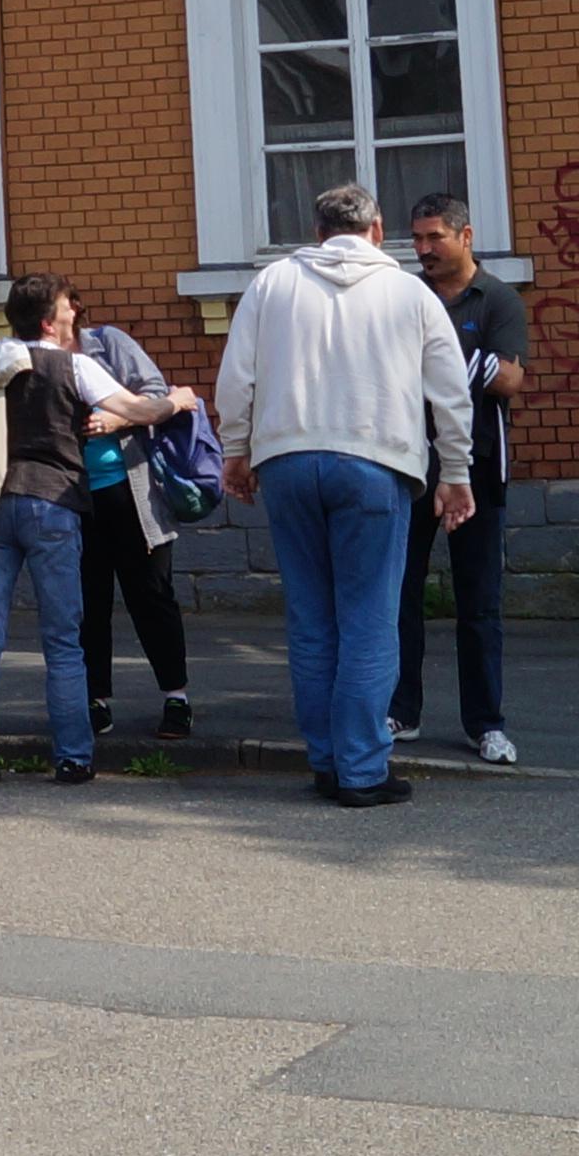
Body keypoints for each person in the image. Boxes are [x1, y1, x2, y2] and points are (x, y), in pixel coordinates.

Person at [214, 182, 473, 808]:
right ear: (378, 230)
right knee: (369, 620)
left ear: (319, 230)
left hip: (289, 460)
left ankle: (326, 761)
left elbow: (236, 376)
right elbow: (449, 388)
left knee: (311, 619)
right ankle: (361, 769)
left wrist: (235, 451)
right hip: (375, 462)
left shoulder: (272, 284)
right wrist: (456, 472)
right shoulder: (409, 292)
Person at [0, 278, 193, 784]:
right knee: (63, 638)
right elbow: (139, 409)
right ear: (46, 321)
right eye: (64, 309)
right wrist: (180, 400)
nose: (71, 315)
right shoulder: (73, 364)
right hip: (53, 506)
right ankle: (74, 756)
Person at [388, 192, 530, 766]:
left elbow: (510, 378)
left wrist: (453, 368)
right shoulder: (404, 297)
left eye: (433, 239)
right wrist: (459, 368)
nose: (422, 250)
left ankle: (486, 724)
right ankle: (402, 712)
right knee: (400, 596)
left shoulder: (497, 298)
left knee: (479, 605)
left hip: (478, 470)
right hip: (408, 467)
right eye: (416, 239)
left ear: (465, 236)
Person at [72, 319, 201, 744]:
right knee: (89, 602)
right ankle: (96, 699)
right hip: (73, 500)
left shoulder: (107, 344)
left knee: (151, 595)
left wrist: (114, 419)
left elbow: (155, 391)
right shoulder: (38, 357)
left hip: (131, 493)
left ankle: (176, 697)